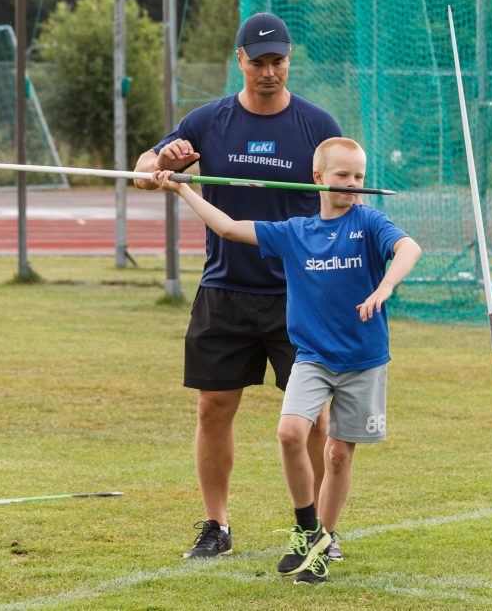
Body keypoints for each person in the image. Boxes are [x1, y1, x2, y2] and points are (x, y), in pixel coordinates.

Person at [153, 137, 422, 584]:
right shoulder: (295, 231)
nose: (353, 184)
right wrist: (184, 189)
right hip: (312, 358)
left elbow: (409, 249)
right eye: (343, 176)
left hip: (363, 360)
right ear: (318, 179)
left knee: (338, 455)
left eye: (359, 177)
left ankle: (324, 541)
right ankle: (307, 528)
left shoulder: (370, 221)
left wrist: (385, 287)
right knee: (290, 432)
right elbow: (229, 228)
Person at [133, 12, 341, 559]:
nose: (269, 72)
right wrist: (163, 162)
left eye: (279, 61)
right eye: (259, 61)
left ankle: (319, 528)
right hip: (224, 289)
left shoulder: (317, 124)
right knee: (213, 408)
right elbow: (141, 170)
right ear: (240, 59)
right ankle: (216, 527)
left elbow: (345, 194)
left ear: (288, 62)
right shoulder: (208, 121)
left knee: (313, 417)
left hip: (299, 295)